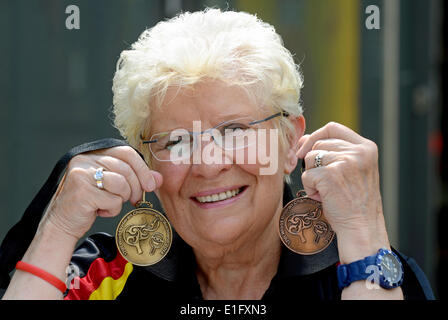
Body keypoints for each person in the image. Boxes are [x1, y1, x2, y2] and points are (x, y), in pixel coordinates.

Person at [1, 8, 434, 300]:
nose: (209, 163)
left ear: (289, 143)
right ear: (146, 165)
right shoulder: (107, 276)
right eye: (176, 141)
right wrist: (57, 228)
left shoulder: (362, 268)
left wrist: (362, 227)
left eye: (234, 130)